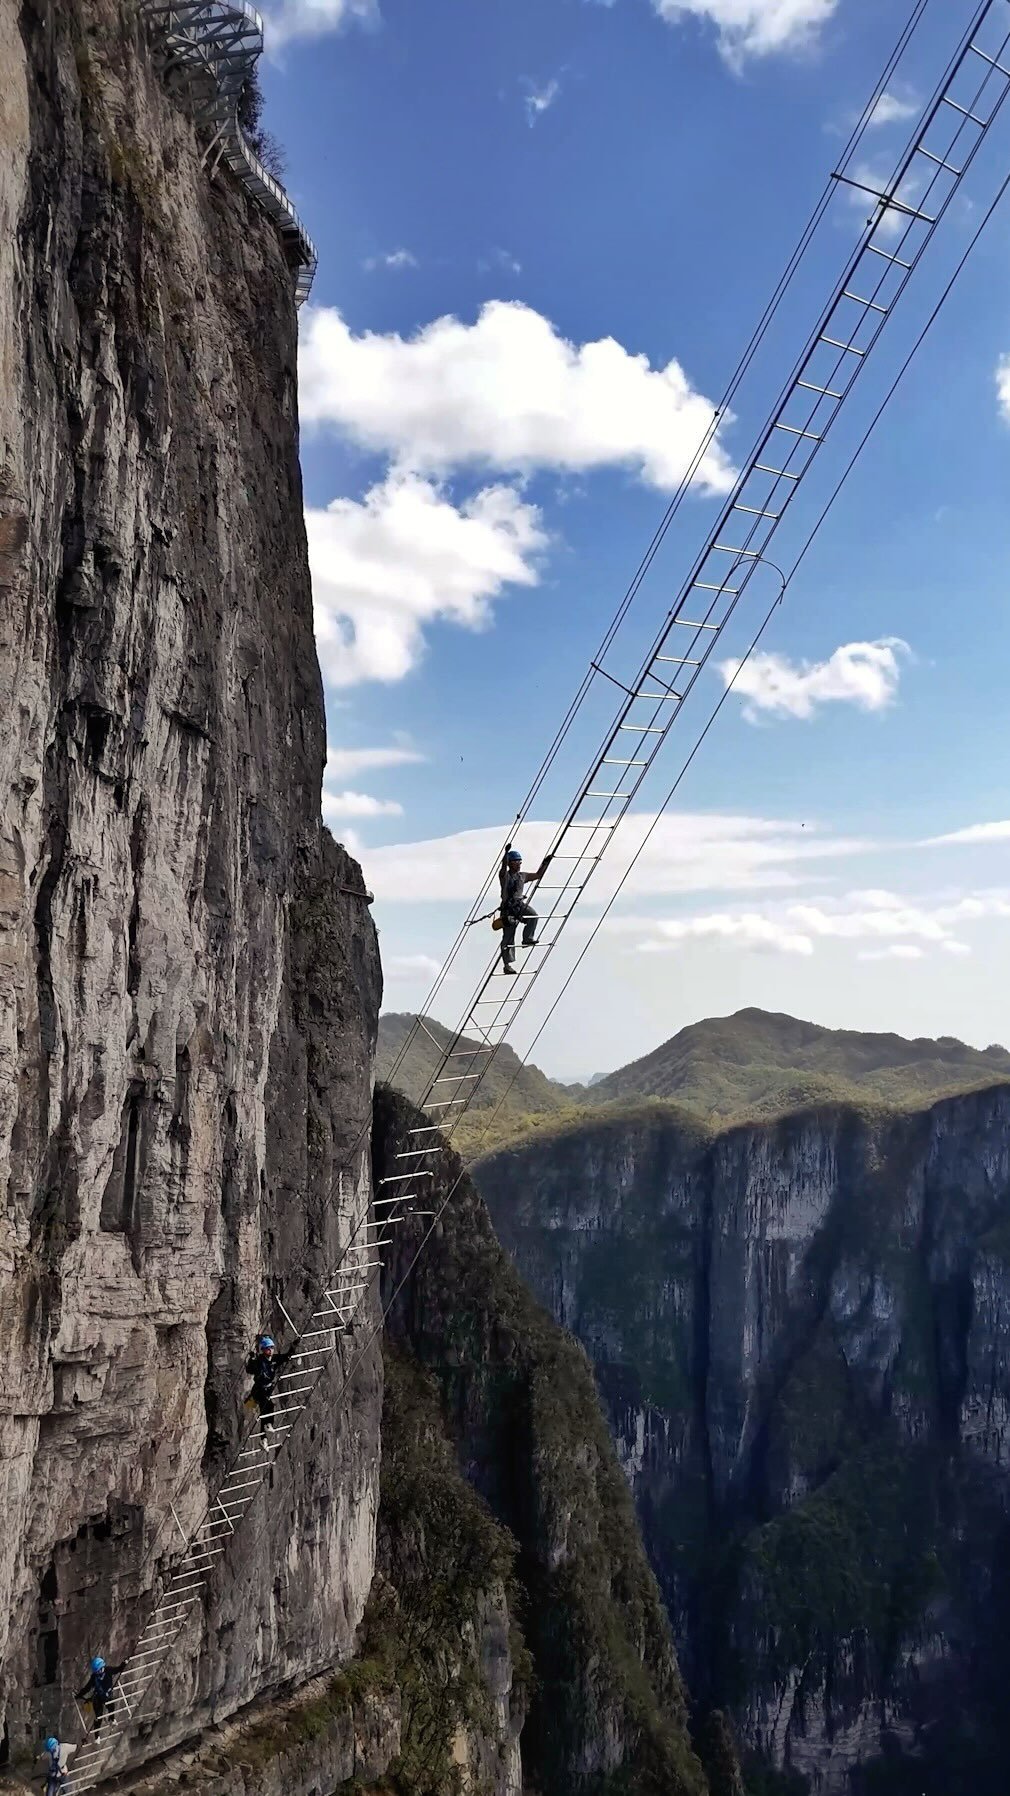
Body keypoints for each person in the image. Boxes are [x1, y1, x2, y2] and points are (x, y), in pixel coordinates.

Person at [498, 843, 552, 974]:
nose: (518, 864)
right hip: (508, 909)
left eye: (519, 862)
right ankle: (507, 965)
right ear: (510, 863)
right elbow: (503, 869)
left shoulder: (522, 876)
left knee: (533, 916)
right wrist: (506, 854)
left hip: (519, 906)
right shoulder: (505, 876)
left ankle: (527, 938)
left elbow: (538, 875)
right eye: (516, 862)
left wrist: (545, 863)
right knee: (508, 937)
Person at [244, 1334, 290, 1430]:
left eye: (272, 1348)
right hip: (259, 1389)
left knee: (265, 1408)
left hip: (267, 1388)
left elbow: (286, 1357)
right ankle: (266, 1428)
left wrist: (294, 1345)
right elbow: (250, 1370)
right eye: (268, 1348)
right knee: (266, 1406)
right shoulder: (259, 1360)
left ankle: (264, 1434)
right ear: (263, 1350)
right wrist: (252, 1360)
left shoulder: (274, 1359)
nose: (271, 1350)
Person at [77, 1654, 125, 1739]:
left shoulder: (108, 1670)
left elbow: (118, 1669)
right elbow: (87, 1687)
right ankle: (97, 1735)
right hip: (98, 1697)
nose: (99, 1672)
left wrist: (124, 1663)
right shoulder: (94, 1677)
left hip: (107, 1695)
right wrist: (79, 1695)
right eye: (97, 1671)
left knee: (111, 1707)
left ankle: (112, 1719)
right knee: (98, 1716)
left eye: (99, 1670)